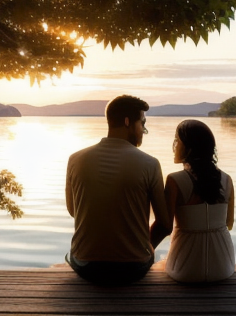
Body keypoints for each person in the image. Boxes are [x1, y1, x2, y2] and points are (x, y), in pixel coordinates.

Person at [65, 95, 171, 285]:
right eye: (142, 123)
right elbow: (164, 224)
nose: (143, 131)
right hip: (132, 269)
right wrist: (143, 247)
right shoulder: (150, 164)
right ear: (128, 122)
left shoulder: (75, 159)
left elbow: (74, 211)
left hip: (87, 267)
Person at [156, 119, 235, 283]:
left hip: (185, 270)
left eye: (177, 140)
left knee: (158, 266)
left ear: (188, 147)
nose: (174, 145)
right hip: (224, 267)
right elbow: (229, 224)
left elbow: (165, 226)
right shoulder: (227, 180)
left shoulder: (174, 180)